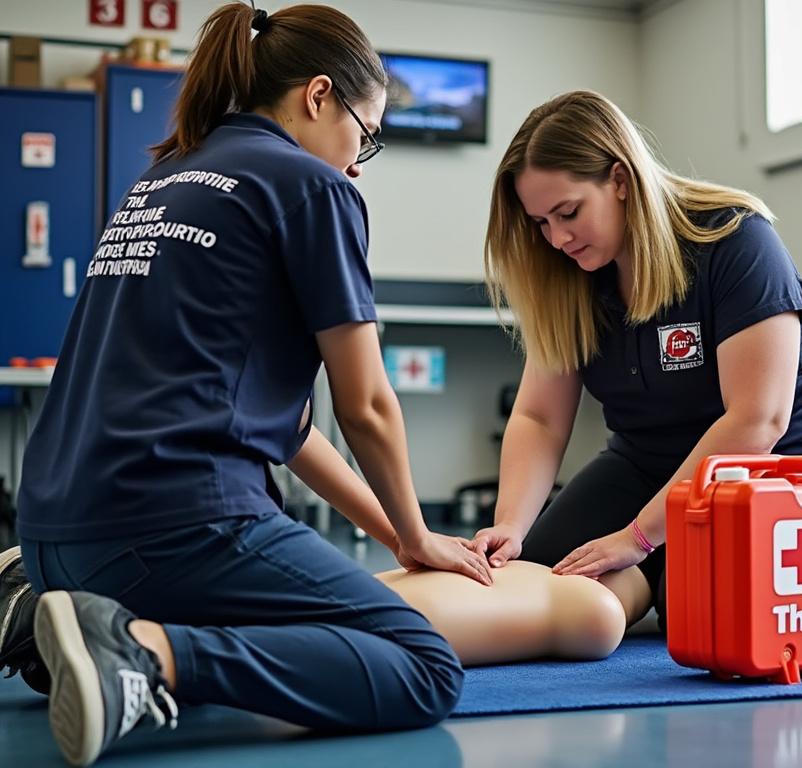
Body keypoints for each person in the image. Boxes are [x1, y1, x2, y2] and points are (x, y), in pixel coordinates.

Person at [0, 3, 500, 765]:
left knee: (263, 639)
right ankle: (140, 653)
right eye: (366, 135)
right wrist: (423, 535)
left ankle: (36, 607)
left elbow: (292, 426)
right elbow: (364, 406)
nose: (359, 162)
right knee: (422, 667)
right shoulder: (312, 188)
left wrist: (399, 537)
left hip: (52, 532)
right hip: (169, 526)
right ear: (319, 95)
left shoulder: (164, 179)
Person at [471, 90, 802, 627]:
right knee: (538, 568)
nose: (557, 239)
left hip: (771, 464)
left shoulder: (737, 242)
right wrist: (511, 522)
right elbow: (540, 417)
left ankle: (656, 571)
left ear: (620, 181)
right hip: (646, 462)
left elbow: (757, 419)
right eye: (541, 224)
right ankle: (650, 572)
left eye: (568, 212)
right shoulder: (572, 277)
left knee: (699, 605)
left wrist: (639, 536)